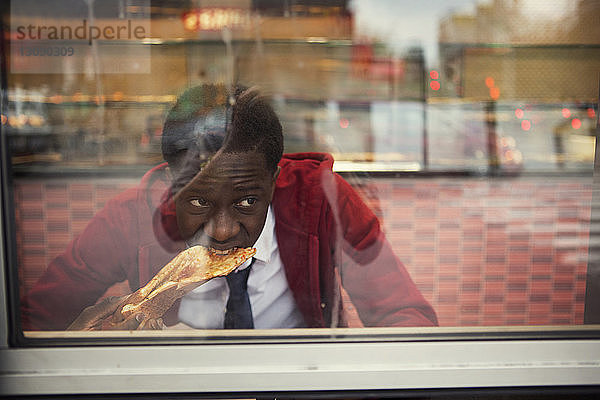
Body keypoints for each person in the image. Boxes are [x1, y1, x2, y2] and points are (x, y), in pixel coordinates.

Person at [20, 84, 438, 331]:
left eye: (247, 202)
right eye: (198, 200)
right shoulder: (131, 216)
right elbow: (35, 320)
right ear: (170, 182)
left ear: (275, 180)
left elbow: (405, 315)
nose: (221, 231)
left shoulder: (323, 199)